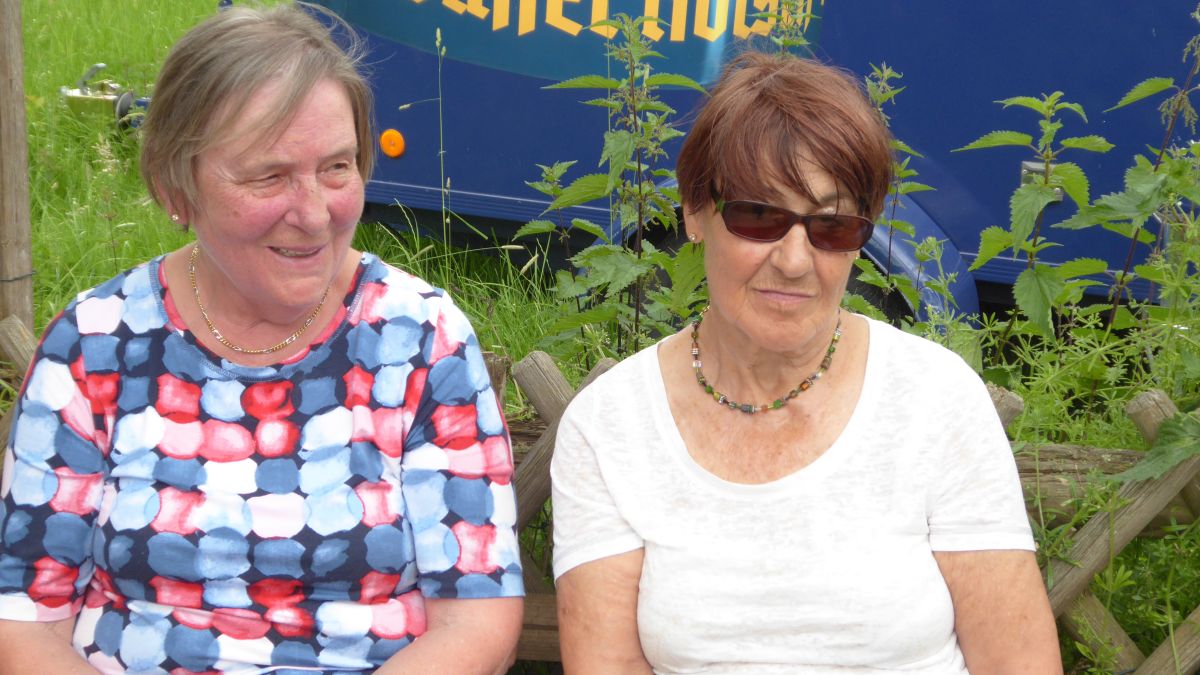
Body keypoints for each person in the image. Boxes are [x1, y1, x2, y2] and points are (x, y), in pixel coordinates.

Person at [0, 4, 523, 673]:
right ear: (174, 185)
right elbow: (23, 622)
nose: (314, 213)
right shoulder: (95, 344)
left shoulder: (420, 338)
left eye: (336, 167)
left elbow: (477, 617)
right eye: (268, 176)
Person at [550, 52, 1061, 673]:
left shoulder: (936, 397)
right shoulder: (609, 427)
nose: (794, 261)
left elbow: (1017, 660)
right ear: (694, 212)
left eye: (833, 225)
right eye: (759, 215)